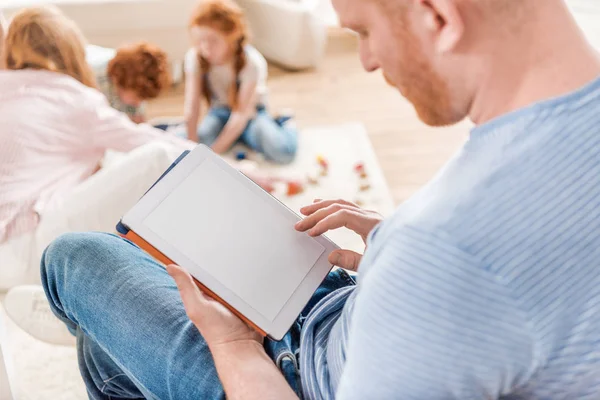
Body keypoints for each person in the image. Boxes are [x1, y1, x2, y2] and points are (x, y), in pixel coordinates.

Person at [6, 0, 600, 398]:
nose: (366, 59)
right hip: (359, 309)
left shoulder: (446, 249)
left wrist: (232, 343)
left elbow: (462, 273)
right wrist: (386, 247)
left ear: (438, 15)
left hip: (291, 370)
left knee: (74, 260)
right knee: (115, 335)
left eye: (364, 32)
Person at [0, 6, 276, 291]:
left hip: (8, 254)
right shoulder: (71, 97)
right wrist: (234, 170)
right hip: (34, 251)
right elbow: (149, 141)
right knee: (156, 159)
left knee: (112, 159)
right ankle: (61, 299)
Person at [182, 0, 298, 164]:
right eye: (200, 40)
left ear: (232, 38)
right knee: (190, 139)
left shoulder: (251, 62)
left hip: (251, 115)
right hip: (219, 112)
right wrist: (192, 146)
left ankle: (285, 122)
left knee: (282, 152)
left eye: (213, 40)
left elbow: (241, 115)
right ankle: (234, 139)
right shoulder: (195, 58)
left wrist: (211, 155)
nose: (206, 47)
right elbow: (192, 106)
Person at [88, 42, 171, 124]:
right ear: (118, 81)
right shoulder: (93, 79)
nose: (138, 103)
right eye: (137, 97)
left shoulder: (138, 83)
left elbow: (137, 121)